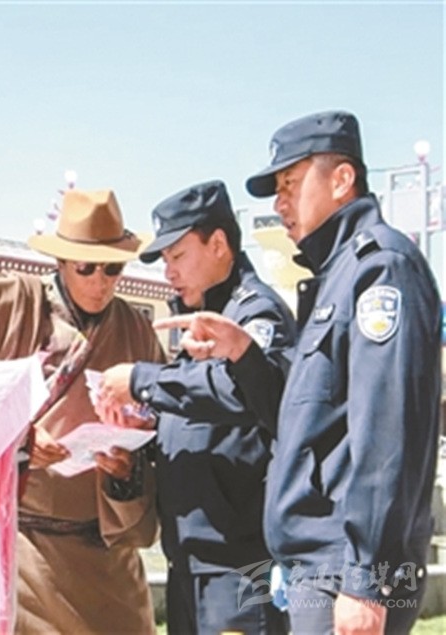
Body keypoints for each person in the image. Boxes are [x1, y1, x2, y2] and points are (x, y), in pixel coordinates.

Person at [159, 111, 442, 634]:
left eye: (290, 183)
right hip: (323, 568)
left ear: (341, 179)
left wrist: (366, 580)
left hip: (347, 569)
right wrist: (244, 354)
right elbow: (309, 423)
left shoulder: (380, 267)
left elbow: (386, 432)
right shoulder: (337, 276)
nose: (279, 202)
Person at [0, 188, 165, 634]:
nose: (100, 282)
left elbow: (163, 429)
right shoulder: (13, 313)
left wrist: (126, 465)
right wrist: (23, 442)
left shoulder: (137, 330)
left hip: (109, 552)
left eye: (113, 268)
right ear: (61, 262)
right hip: (27, 548)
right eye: (86, 267)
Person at [94, 180, 295, 634]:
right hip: (190, 565)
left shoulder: (254, 314)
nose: (169, 272)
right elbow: (199, 420)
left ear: (218, 244)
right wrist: (136, 444)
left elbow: (239, 391)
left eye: (177, 256)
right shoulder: (202, 321)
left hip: (240, 569)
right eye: (164, 260)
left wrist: (142, 381)